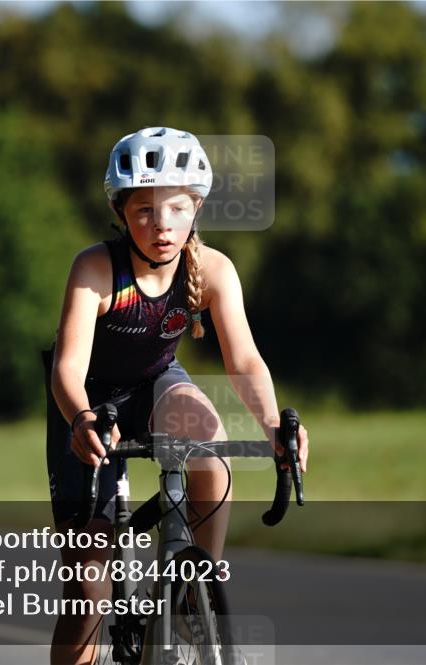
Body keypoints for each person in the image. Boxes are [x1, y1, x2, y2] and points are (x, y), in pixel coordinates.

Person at [43, 126, 309, 665]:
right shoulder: (96, 268)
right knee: (88, 588)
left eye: (175, 208)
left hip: (156, 383)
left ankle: (194, 589)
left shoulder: (212, 269)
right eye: (143, 210)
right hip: (89, 407)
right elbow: (66, 368)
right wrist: (83, 420)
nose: (160, 225)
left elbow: (244, 362)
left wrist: (274, 430)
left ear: (197, 208)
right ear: (121, 213)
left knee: (210, 446)